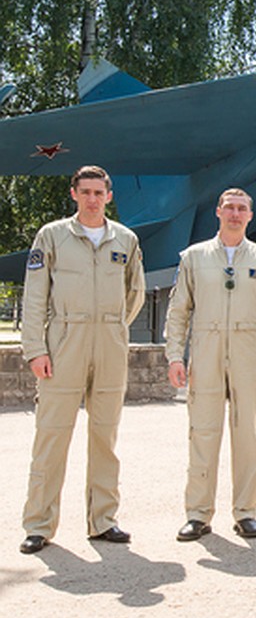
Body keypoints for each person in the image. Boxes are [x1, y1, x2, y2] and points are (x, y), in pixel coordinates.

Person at [18, 166, 145, 554]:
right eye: (85, 191)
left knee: (105, 438)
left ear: (109, 196)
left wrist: (111, 328)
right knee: (52, 436)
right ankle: (39, 525)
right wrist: (35, 348)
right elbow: (36, 295)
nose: (93, 198)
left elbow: (135, 292)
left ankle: (103, 520)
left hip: (108, 342)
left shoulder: (125, 239)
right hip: (64, 345)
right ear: (74, 193)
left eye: (99, 192)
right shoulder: (53, 236)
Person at [165, 187, 256, 541]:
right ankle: (198, 514)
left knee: (247, 434)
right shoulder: (193, 257)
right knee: (203, 433)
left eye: (242, 209)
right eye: (229, 207)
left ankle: (246, 512)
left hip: (249, 352)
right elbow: (178, 312)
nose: (235, 214)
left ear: (251, 216)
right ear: (218, 212)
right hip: (207, 349)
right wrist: (175, 355)